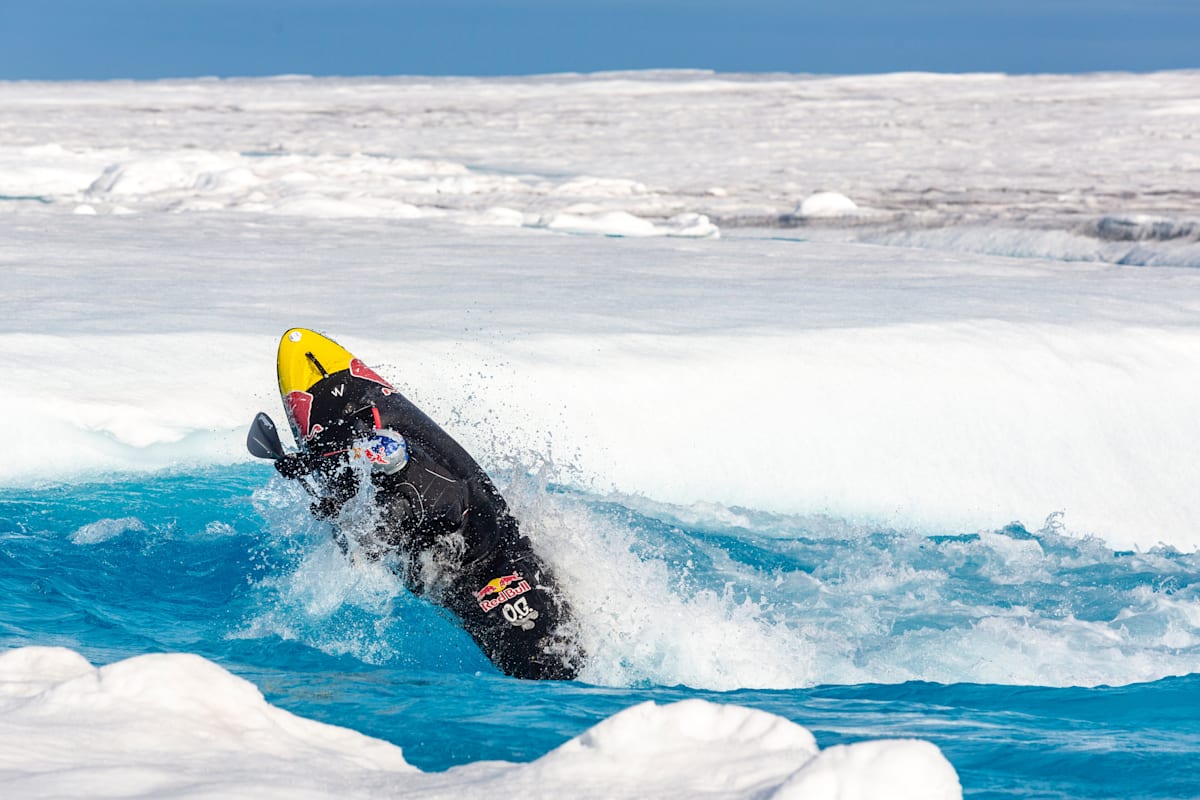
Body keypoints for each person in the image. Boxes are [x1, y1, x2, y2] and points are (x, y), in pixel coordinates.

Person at [256, 331, 584, 681]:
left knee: (543, 665)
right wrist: (307, 465)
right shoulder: (401, 463)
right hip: (457, 561)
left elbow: (386, 533)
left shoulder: (420, 491)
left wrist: (355, 529)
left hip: (495, 566)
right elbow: (364, 458)